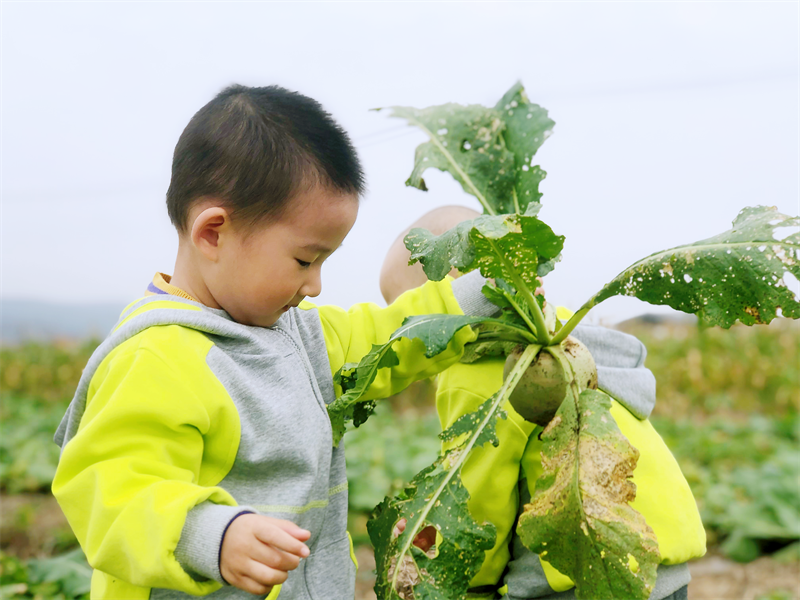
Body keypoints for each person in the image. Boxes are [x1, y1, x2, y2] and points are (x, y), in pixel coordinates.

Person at [51, 86, 500, 600]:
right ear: (213, 234)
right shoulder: (156, 357)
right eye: (305, 260)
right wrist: (211, 535)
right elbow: (113, 492)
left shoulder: (302, 334)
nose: (316, 285)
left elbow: (393, 336)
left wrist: (480, 293)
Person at [380, 206, 707, 600]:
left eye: (410, 314)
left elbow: (475, 504)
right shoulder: (572, 336)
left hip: (581, 575)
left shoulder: (474, 374)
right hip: (663, 564)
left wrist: (464, 582)